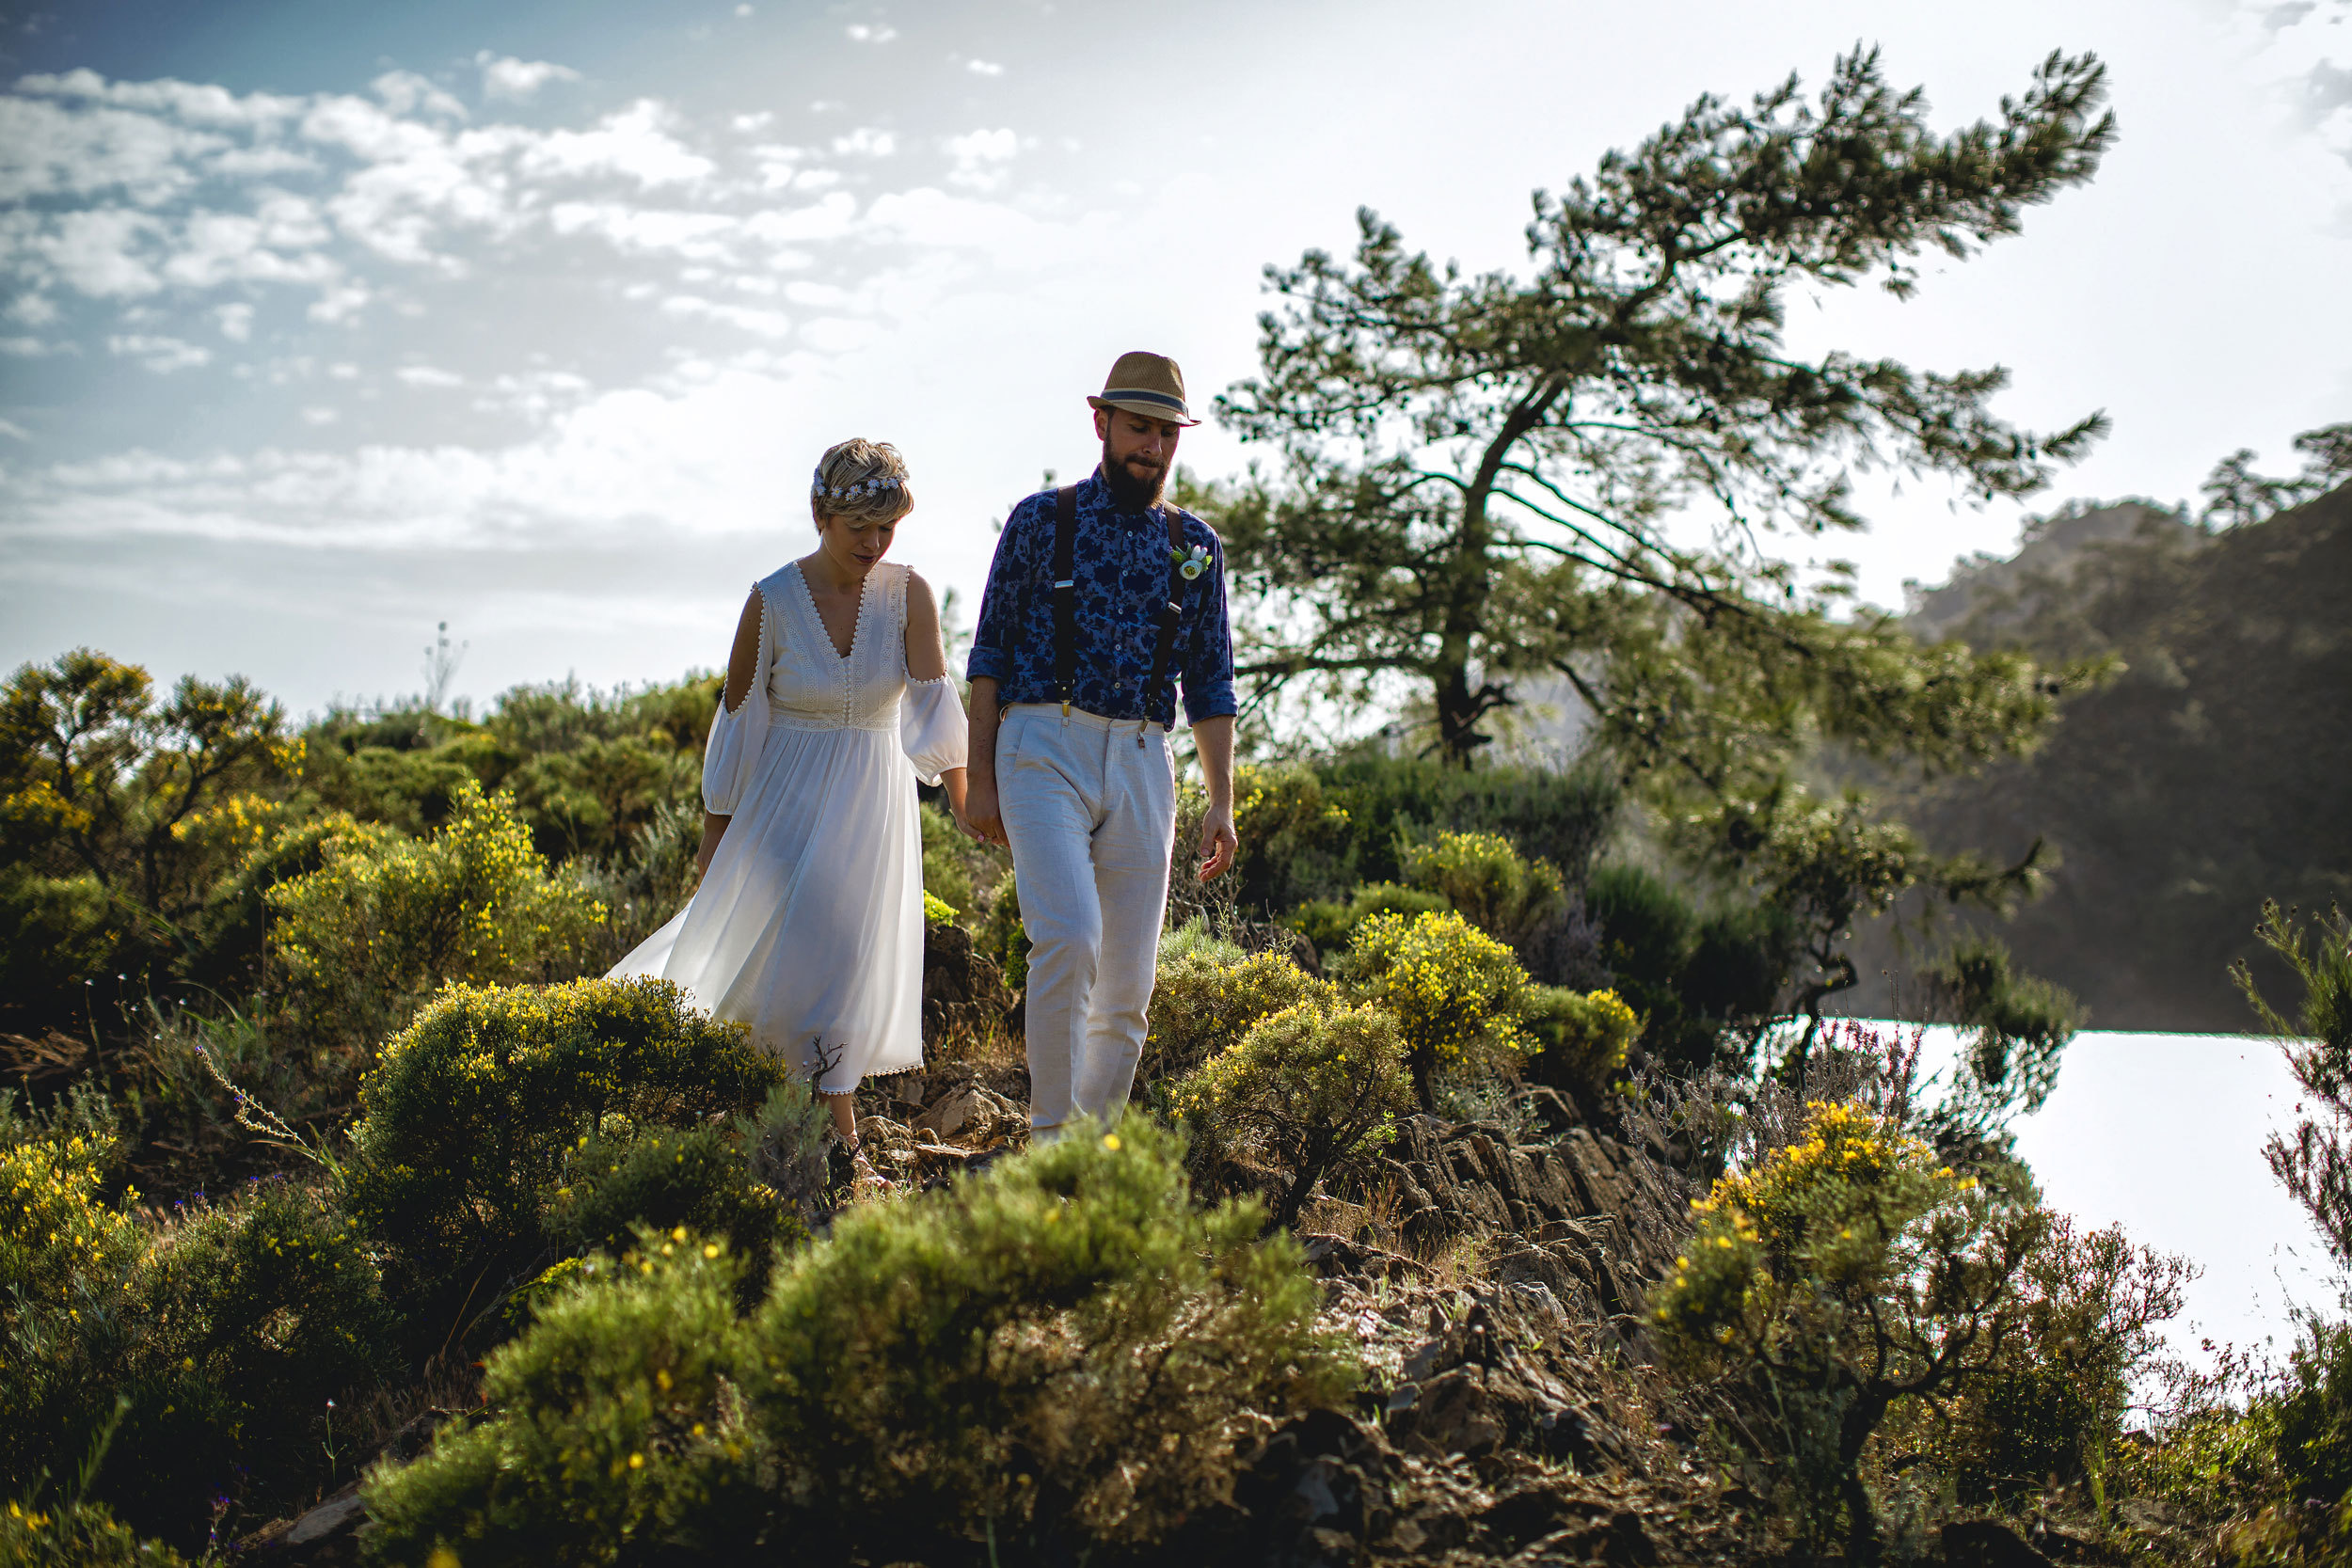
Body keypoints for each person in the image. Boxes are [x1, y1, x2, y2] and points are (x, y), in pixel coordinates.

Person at [611, 437, 968, 1181]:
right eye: (858, 528)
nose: (874, 544)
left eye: (887, 528)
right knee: (790, 959)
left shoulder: (911, 595)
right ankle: (828, 1145)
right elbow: (739, 724)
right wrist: (715, 841)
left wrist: (969, 803)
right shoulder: (770, 600)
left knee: (841, 958)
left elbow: (936, 709)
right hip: (783, 804)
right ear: (819, 514)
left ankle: (812, 1142)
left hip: (871, 805)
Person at [962, 350, 1240, 1143]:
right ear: (1102, 423)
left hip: (1146, 759)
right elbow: (987, 658)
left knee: (1127, 988)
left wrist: (1222, 800)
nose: (1151, 447)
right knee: (1070, 938)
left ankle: (1082, 1157)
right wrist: (978, 780)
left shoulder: (1196, 545)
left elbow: (1211, 683)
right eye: (1138, 428)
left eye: (1166, 433)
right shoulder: (1038, 521)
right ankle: (1048, 1144)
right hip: (1041, 742)